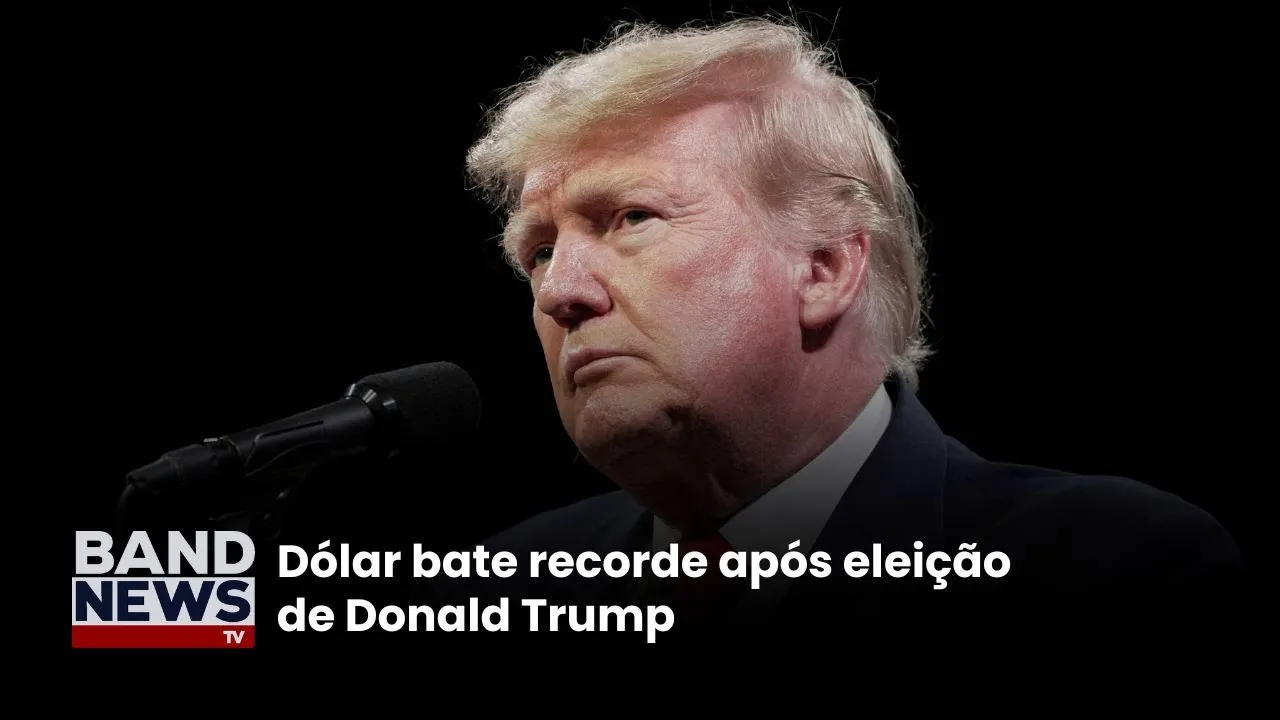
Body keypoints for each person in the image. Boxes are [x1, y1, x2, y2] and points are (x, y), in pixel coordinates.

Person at [454, 17, 1248, 635]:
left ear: (826, 267)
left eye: (631, 218)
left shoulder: (1109, 571)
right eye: (539, 251)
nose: (560, 292)